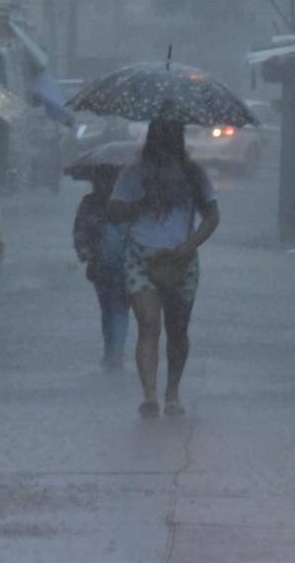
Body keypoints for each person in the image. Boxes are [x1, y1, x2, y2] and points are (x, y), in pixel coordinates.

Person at [109, 120, 220, 418]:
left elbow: (212, 216)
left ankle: (172, 391)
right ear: (151, 140)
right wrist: (141, 202)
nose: (165, 144)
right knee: (148, 325)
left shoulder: (193, 175)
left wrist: (189, 246)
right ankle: (149, 395)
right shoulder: (134, 173)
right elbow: (114, 211)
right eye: (160, 138)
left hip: (181, 259)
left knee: (177, 330)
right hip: (140, 256)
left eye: (171, 138)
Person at [73, 168, 130, 370]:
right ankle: (111, 350)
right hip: (102, 267)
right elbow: (80, 231)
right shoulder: (90, 203)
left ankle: (116, 352)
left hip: (125, 267)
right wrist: (86, 253)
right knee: (109, 309)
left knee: (118, 308)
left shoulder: (129, 202)